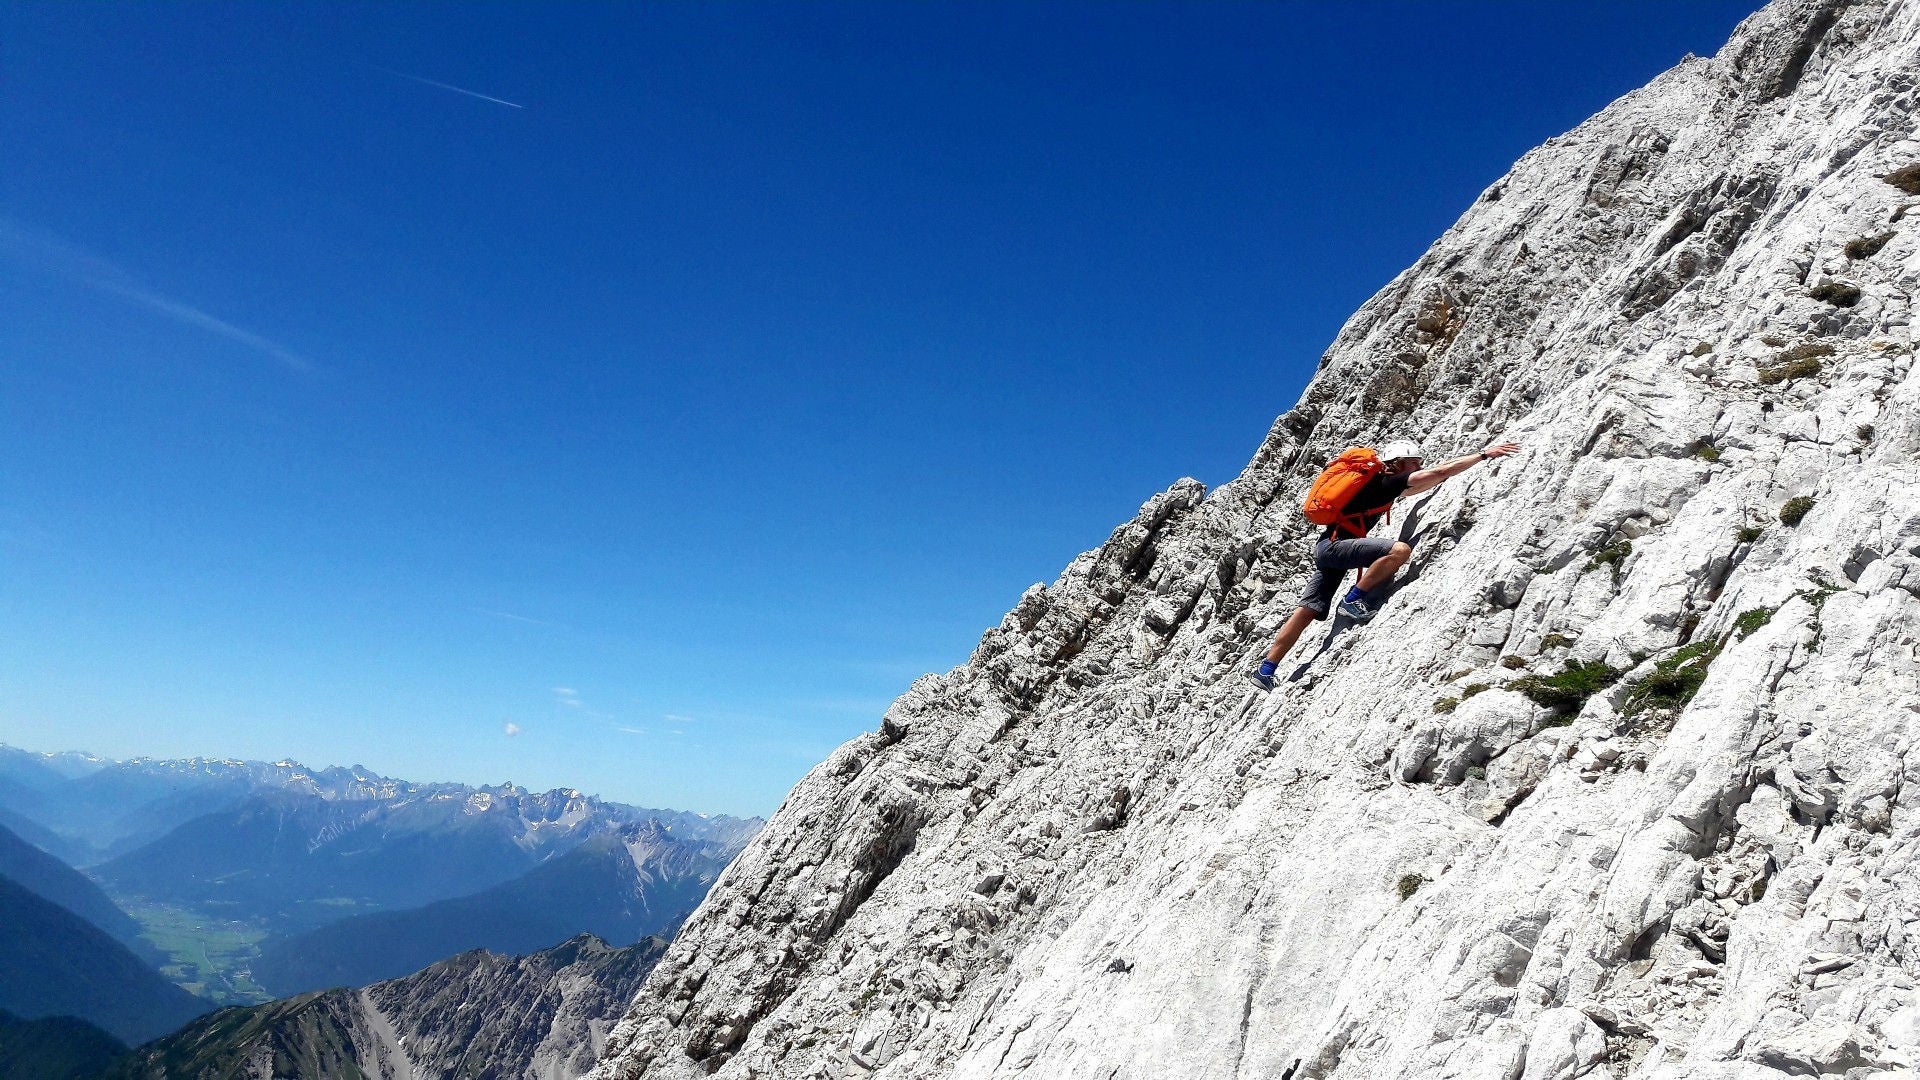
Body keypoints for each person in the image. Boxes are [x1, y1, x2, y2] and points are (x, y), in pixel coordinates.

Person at [1246, 438, 1520, 692]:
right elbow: (1437, 474)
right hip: (1336, 548)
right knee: (1399, 551)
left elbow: (1422, 484)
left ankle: (1266, 669)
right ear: (1400, 463)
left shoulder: (1378, 485)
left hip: (1328, 547)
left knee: (1308, 610)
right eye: (1415, 461)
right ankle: (1354, 600)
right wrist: (1483, 455)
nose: (1419, 465)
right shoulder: (1386, 482)